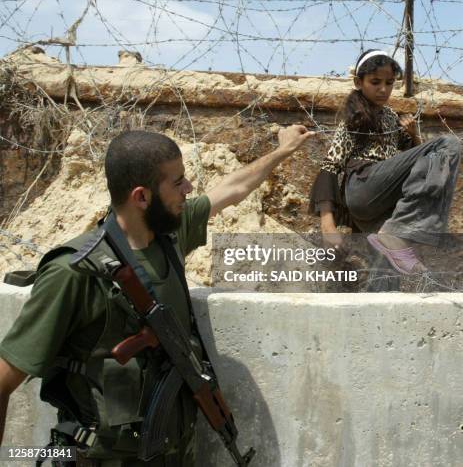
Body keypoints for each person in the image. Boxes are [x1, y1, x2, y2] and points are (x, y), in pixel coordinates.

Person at [0, 125, 313, 467]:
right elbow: (3, 380)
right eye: (178, 182)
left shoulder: (170, 236)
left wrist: (282, 151)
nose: (189, 189)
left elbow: (232, 188)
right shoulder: (74, 272)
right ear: (142, 197)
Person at [309, 49, 461, 278]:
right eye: (375, 82)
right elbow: (331, 165)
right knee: (449, 144)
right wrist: (328, 227)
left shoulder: (391, 116)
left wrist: (413, 135)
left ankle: (395, 240)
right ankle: (406, 231)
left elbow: (421, 165)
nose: (383, 89)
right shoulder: (355, 116)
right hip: (364, 185)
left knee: (386, 269)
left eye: (389, 83)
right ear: (359, 82)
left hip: (381, 199)